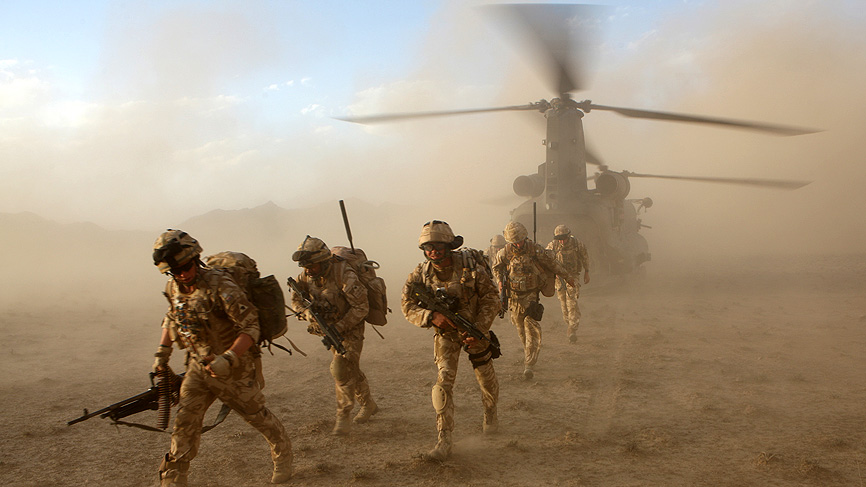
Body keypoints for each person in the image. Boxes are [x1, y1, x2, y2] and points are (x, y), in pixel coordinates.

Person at [151, 230, 292, 486]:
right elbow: (172, 318)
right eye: (174, 271)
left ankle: (283, 454)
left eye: (185, 267)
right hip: (198, 368)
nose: (182, 274)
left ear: (195, 259)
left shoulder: (221, 286)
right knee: (185, 424)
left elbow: (251, 327)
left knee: (257, 416)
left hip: (234, 369)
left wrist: (228, 358)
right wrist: (162, 354)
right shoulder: (174, 287)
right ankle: (173, 479)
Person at [401, 221, 500, 461]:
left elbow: (491, 298)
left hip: (474, 331)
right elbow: (406, 305)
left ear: (449, 246)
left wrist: (479, 328)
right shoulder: (420, 274)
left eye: (438, 246)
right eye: (428, 247)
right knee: (442, 383)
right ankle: (444, 439)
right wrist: (430, 316)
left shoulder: (470, 269)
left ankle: (490, 412)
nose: (433, 251)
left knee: (485, 378)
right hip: (445, 335)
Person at [290, 236, 377, 436]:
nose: (308, 271)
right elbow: (295, 300)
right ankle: (368, 404)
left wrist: (339, 327)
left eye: (312, 266)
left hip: (350, 326)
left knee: (341, 368)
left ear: (323, 261)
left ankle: (343, 416)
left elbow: (361, 308)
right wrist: (306, 313)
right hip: (328, 328)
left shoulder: (344, 275)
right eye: (306, 267)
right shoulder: (305, 275)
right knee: (350, 368)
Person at [493, 221, 573, 380]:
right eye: (514, 242)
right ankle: (528, 352)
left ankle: (529, 363)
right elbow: (496, 267)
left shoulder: (535, 250)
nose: (518, 244)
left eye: (520, 241)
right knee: (521, 330)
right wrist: (500, 282)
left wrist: (567, 276)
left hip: (530, 295)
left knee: (530, 325)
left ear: (525, 237)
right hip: (514, 297)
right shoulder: (505, 252)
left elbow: (553, 264)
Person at [546, 224, 591, 343]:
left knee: (572, 301)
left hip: (572, 276)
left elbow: (585, 257)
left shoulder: (577, 244)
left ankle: (572, 329)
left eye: (564, 238)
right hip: (559, 278)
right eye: (559, 239)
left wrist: (587, 272)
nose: (562, 241)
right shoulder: (553, 245)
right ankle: (570, 322)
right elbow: (546, 258)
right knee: (563, 304)